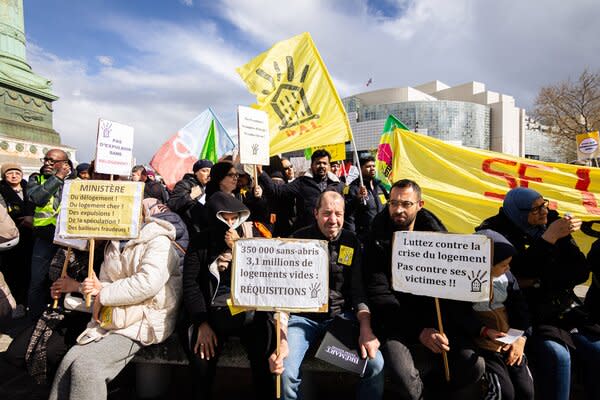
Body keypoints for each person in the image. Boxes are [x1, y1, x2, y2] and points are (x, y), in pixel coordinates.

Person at [364, 179, 485, 399]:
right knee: (403, 377)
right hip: (397, 324)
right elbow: (379, 295)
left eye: (406, 204)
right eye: (393, 203)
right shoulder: (376, 240)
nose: (398, 209)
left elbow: (453, 292)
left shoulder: (439, 238)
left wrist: (445, 328)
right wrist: (419, 331)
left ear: (420, 204)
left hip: (437, 322)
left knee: (473, 365)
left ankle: (431, 391)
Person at [477, 187, 600, 400]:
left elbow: (580, 270)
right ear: (518, 212)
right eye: (536, 209)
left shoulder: (552, 222)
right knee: (558, 355)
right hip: (527, 313)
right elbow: (512, 275)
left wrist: (538, 280)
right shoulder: (495, 230)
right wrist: (547, 240)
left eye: (545, 205)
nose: (544, 212)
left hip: (565, 308)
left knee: (596, 349)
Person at [49, 206, 182, 400]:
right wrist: (88, 288)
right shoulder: (113, 244)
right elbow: (106, 285)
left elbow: (147, 284)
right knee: (68, 362)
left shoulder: (159, 241)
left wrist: (101, 290)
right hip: (115, 316)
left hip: (144, 320)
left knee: (87, 367)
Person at [269, 191, 384, 400]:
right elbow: (282, 293)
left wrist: (366, 330)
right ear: (315, 213)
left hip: (340, 318)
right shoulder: (297, 240)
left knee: (376, 364)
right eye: (327, 213)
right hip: (302, 318)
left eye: (338, 214)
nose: (333, 220)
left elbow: (358, 291)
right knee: (283, 373)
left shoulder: (351, 241)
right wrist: (282, 339)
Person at [183, 191, 275, 400]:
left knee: (264, 353)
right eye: (225, 219)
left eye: (234, 218)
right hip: (213, 313)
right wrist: (202, 323)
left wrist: (238, 250)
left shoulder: (252, 237)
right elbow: (191, 284)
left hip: (250, 312)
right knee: (201, 359)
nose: (230, 224)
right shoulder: (200, 242)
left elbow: (262, 279)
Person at [471, 229, 534, 400]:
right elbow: (458, 315)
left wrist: (521, 337)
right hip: (485, 344)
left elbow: (520, 309)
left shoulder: (506, 277)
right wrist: (483, 330)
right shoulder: (465, 281)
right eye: (503, 264)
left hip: (511, 341)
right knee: (503, 392)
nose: (508, 268)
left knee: (526, 390)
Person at [27, 149, 72, 319]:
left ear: (65, 164)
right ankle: (34, 318)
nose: (47, 163)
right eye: (45, 160)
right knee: (37, 280)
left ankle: (58, 314)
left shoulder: (74, 182)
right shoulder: (36, 179)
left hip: (66, 241)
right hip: (44, 239)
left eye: (52, 161)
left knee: (61, 279)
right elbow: (37, 198)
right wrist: (58, 177)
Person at [259, 150, 344, 231]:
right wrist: (261, 173)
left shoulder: (338, 185)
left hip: (329, 233)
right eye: (318, 163)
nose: (321, 166)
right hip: (307, 235)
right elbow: (278, 191)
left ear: (328, 166)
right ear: (312, 165)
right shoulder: (301, 182)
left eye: (324, 163)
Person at [0, 162, 34, 314]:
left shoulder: (30, 188)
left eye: (17, 172)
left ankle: (28, 301)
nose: (14, 175)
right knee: (13, 272)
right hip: (10, 239)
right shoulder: (1, 190)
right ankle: (18, 302)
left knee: (30, 270)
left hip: (31, 235)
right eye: (9, 173)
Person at [345, 155, 388, 238]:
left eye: (373, 166)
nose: (372, 168)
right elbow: (348, 214)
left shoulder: (380, 186)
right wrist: (353, 237)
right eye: (368, 166)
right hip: (363, 237)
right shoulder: (353, 188)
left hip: (382, 235)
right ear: (360, 169)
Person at [168, 159, 213, 236]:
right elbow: (172, 205)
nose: (208, 174)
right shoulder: (185, 184)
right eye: (204, 171)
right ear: (196, 173)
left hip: (204, 230)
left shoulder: (210, 187)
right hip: (188, 231)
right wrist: (191, 196)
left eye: (210, 171)